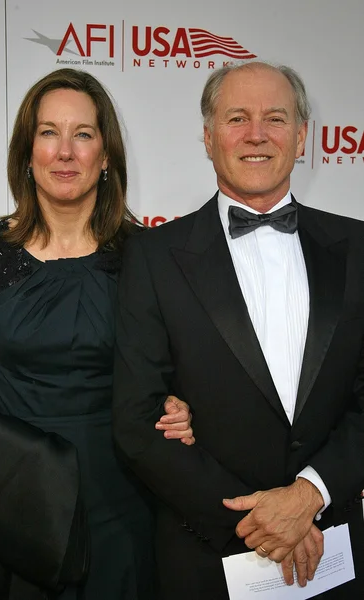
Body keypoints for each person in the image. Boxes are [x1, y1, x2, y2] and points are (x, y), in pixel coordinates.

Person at [113, 61, 364, 599]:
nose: (256, 134)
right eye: (236, 118)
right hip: (206, 559)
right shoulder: (153, 257)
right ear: (208, 137)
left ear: (302, 137)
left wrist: (308, 496)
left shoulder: (360, 249)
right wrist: (258, 523)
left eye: (276, 118)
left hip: (333, 553)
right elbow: (137, 420)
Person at [0, 67, 195, 600]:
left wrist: (182, 405)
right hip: (21, 493)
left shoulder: (151, 259)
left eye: (83, 134)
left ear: (107, 155)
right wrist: (7, 441)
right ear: (27, 152)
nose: (65, 152)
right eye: (49, 133)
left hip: (126, 491)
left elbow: (185, 369)